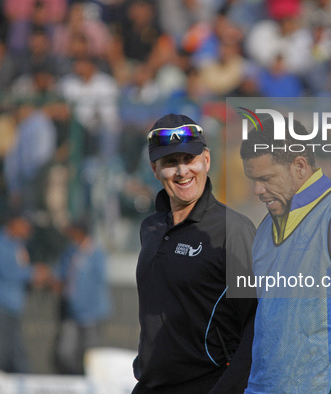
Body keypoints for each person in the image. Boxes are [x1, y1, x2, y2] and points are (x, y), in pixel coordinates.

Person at [240, 116, 331, 393]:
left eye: (266, 178)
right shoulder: (264, 229)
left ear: (299, 166)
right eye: (253, 180)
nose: (258, 190)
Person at [132, 114, 257, 393]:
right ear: (155, 169)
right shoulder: (150, 228)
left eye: (189, 159)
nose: (182, 171)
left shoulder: (233, 230)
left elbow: (257, 326)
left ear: (207, 160)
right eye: (170, 162)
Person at [0, 208, 49, 373]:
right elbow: (8, 271)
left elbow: (21, 269)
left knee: (16, 353)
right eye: (25, 224)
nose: (28, 229)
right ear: (14, 223)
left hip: (13, 306)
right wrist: (33, 273)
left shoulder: (18, 244)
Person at [52, 218, 111, 375]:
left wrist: (85, 303)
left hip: (91, 313)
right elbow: (60, 274)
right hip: (71, 312)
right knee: (65, 351)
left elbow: (98, 283)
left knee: (90, 354)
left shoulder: (95, 253)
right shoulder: (69, 252)